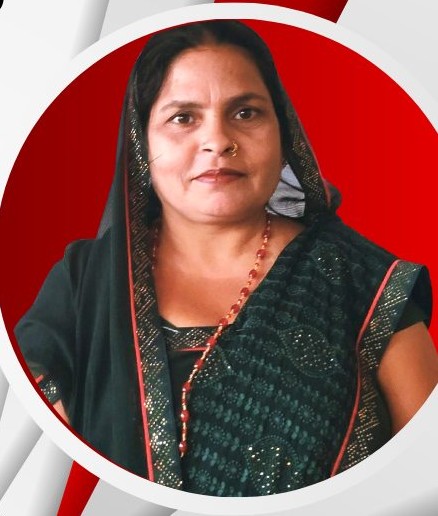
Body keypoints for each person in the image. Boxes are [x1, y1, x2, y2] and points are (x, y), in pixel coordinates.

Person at [15, 20, 438, 496]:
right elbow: (35, 473)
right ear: (141, 142)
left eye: (245, 112)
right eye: (183, 118)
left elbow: (425, 480)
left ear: (283, 134)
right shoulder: (83, 285)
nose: (217, 140)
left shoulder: (366, 285)